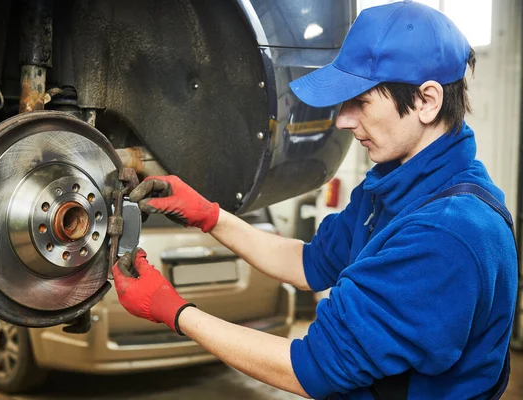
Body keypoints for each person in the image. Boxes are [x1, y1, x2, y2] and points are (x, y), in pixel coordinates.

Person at [112, 1, 518, 399]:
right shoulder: (394, 185)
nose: (342, 120)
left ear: (427, 102)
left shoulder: (447, 233)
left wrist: (173, 310)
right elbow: (309, 264)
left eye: (360, 101)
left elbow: (310, 369)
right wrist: (211, 216)